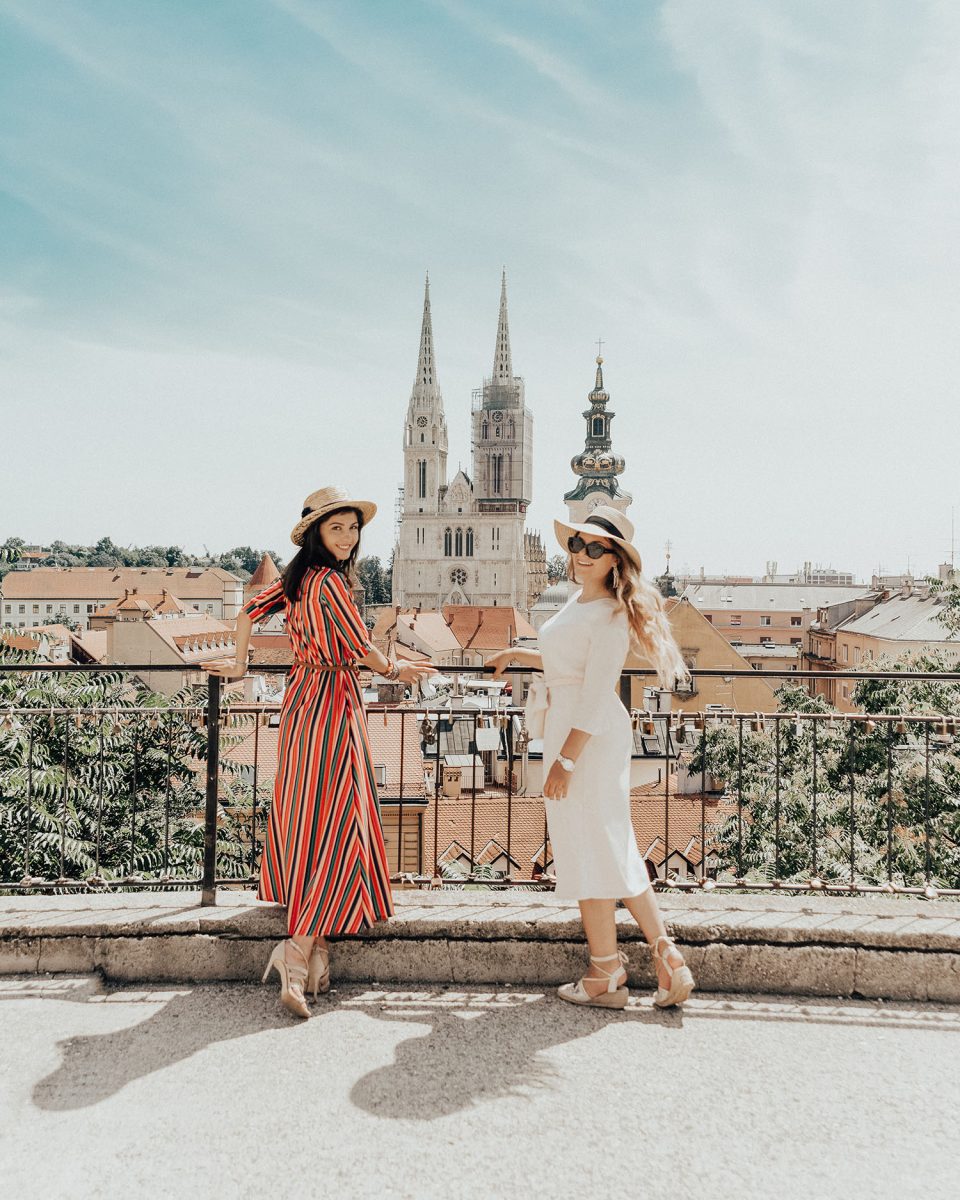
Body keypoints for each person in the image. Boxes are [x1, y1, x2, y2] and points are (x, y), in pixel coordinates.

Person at [204, 486, 432, 1018]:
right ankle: (297, 949)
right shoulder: (327, 582)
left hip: (302, 698)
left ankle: (317, 955)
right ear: (315, 535)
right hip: (332, 702)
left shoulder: (296, 580)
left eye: (353, 529)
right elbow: (360, 647)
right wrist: (400, 670)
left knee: (309, 816)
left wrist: (239, 666)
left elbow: (244, 615)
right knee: (335, 820)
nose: (349, 537)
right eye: (338, 529)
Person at [488, 505, 696, 1010]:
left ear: (615, 560)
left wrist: (564, 762)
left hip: (587, 733)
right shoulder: (586, 601)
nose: (581, 554)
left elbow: (599, 690)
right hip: (579, 727)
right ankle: (665, 959)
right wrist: (519, 656)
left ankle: (608, 971)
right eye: (577, 545)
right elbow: (569, 665)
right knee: (605, 841)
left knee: (588, 844)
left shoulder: (609, 613)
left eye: (595, 548)